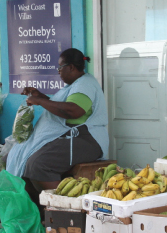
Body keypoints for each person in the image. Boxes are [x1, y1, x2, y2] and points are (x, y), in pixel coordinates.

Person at [6, 48, 109, 196]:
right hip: (71, 136)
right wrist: (40, 96)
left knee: (38, 165)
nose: (58, 72)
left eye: (60, 68)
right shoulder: (73, 85)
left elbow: (73, 111)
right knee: (20, 156)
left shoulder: (85, 84)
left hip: (87, 139)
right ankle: (38, 210)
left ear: (71, 67)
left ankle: (62, 207)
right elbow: (61, 107)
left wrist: (40, 101)